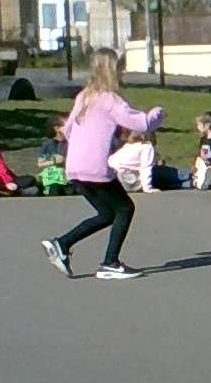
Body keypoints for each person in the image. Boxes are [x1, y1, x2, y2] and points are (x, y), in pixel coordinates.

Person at [43, 49, 164, 281]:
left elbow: (68, 130)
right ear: (113, 70)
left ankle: (62, 244)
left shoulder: (84, 97)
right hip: (95, 168)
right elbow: (142, 124)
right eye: (121, 68)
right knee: (125, 208)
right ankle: (110, 263)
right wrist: (159, 113)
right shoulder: (110, 100)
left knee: (108, 213)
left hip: (75, 167)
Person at [36, 121, 71, 196]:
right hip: (53, 175)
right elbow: (40, 164)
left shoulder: (71, 143)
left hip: (68, 175)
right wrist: (54, 161)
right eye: (64, 125)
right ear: (56, 128)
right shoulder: (47, 144)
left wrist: (64, 160)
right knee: (54, 190)